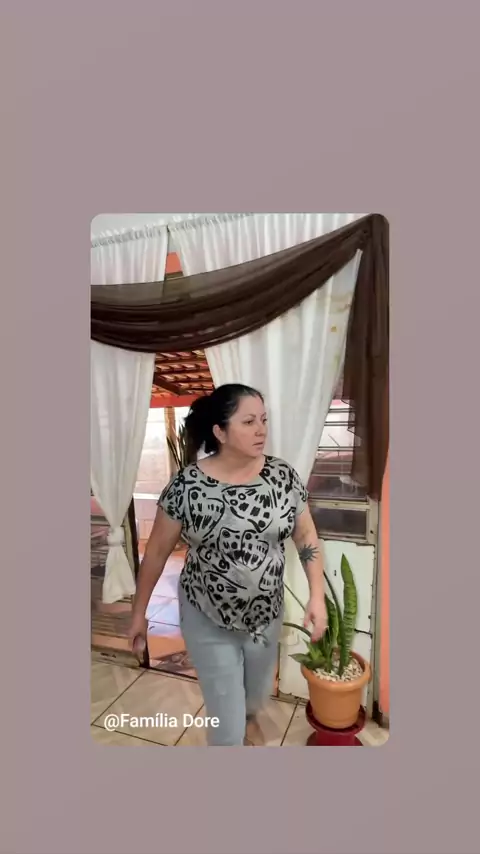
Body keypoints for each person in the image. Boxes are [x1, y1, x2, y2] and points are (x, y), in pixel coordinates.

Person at [129, 383, 327, 746]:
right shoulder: (187, 486)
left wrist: (317, 596)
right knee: (227, 723)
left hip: (266, 615)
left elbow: (306, 536)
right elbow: (156, 552)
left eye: (263, 420)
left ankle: (248, 719)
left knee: (255, 694)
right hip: (206, 616)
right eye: (249, 422)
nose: (261, 430)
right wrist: (139, 612)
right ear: (220, 432)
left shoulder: (282, 476)